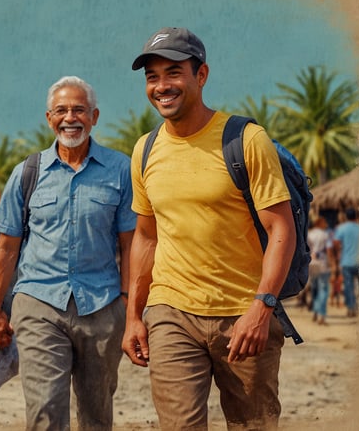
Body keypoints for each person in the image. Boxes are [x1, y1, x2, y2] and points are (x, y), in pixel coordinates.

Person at [122, 27, 296, 430]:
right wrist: (134, 316)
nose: (162, 86)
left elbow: (281, 228)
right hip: (171, 313)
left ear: (201, 75)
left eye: (173, 72)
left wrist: (262, 307)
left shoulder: (246, 140)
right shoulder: (145, 150)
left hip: (243, 312)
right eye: (152, 77)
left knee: (253, 424)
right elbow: (146, 237)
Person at [0, 76, 136, 430]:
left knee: (97, 413)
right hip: (39, 303)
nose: (71, 118)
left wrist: (130, 306)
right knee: (45, 410)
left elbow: (132, 243)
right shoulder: (27, 173)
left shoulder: (121, 170)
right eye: (62, 110)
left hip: (102, 305)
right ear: (49, 118)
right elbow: (6, 248)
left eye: (79, 110)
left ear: (95, 116)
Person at [333, 207, 359, 317]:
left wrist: (338, 252)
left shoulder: (342, 228)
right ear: (357, 216)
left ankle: (351, 308)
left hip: (346, 261)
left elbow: (336, 242)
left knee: (349, 286)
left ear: (346, 217)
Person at [307, 215, 333, 325]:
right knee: (324, 289)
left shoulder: (309, 234)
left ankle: (315, 311)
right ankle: (321, 314)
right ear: (321, 224)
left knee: (314, 288)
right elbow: (329, 250)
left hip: (311, 263)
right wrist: (331, 263)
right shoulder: (325, 235)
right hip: (322, 263)